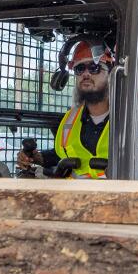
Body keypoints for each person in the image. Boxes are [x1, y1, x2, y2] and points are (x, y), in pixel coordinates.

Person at [53, 40, 114, 178]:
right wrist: (38, 158)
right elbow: (63, 155)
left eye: (94, 67)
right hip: (77, 198)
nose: (86, 74)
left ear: (111, 74)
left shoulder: (127, 119)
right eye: (79, 69)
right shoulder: (70, 119)